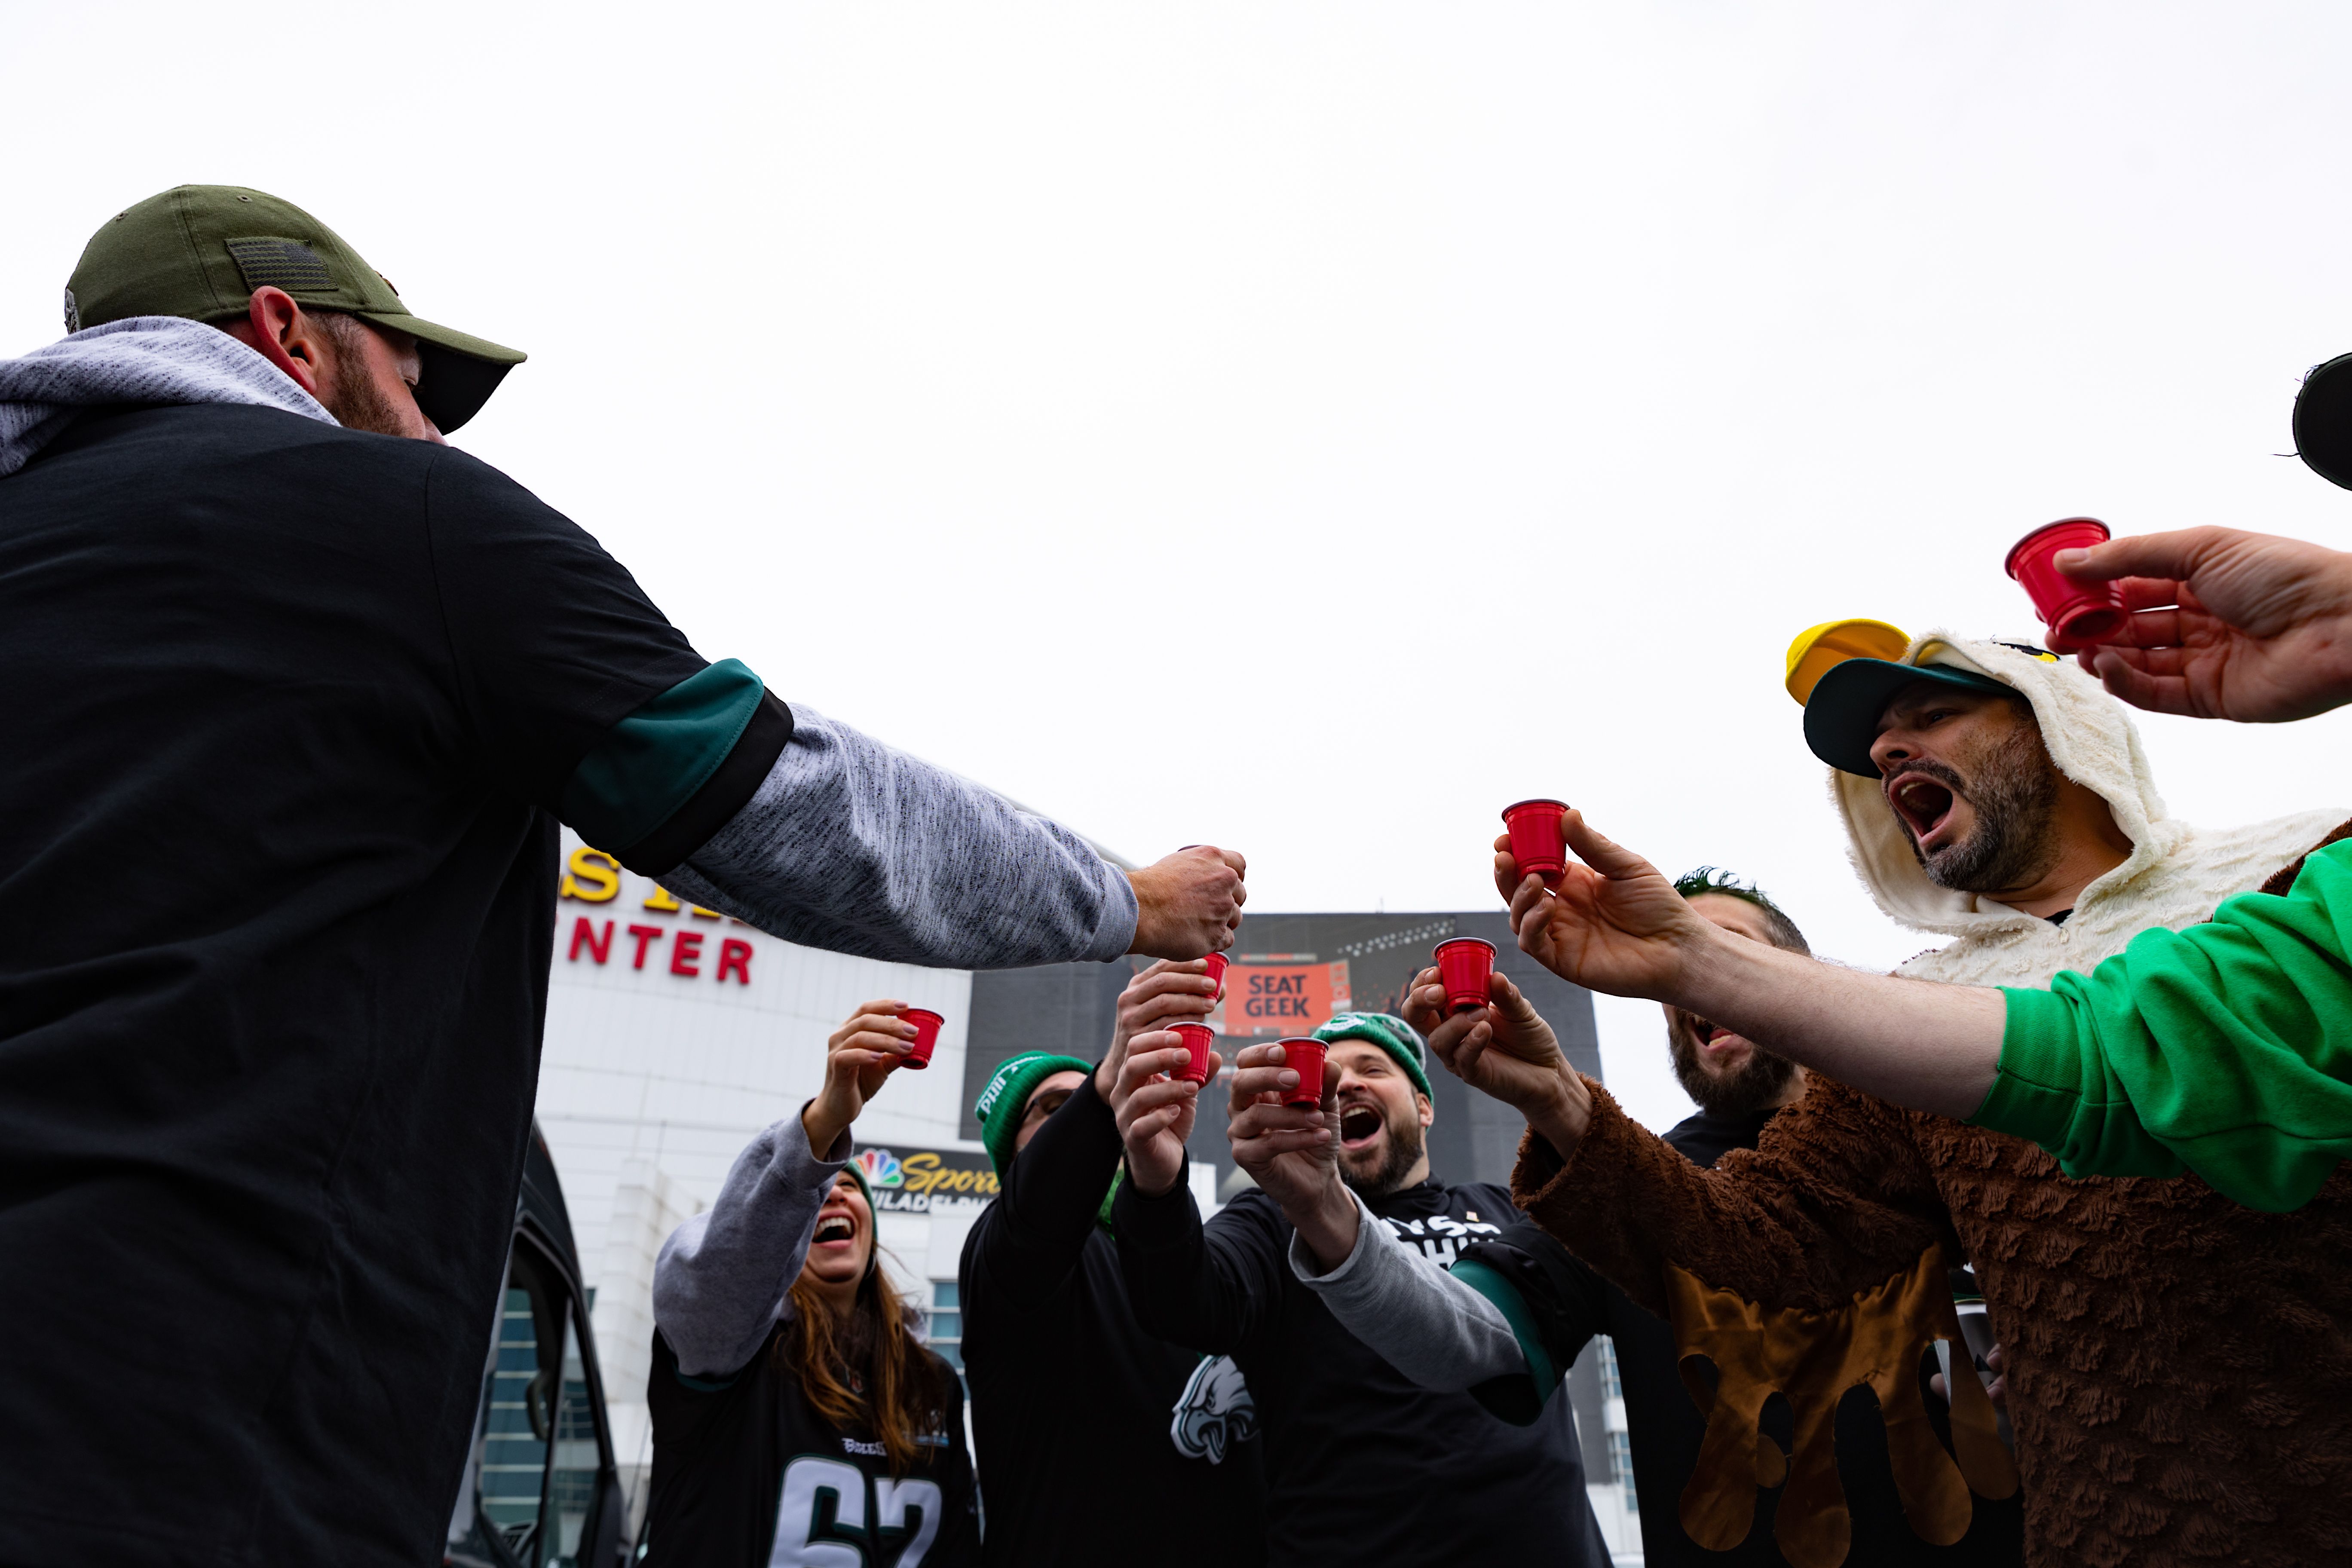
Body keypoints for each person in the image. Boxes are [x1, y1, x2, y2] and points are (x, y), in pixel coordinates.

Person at [0, 184, 1247, 1568]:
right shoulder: (401, 521)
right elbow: (781, 801)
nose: (428, 426)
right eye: (415, 384)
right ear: (290, 334)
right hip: (204, 1453)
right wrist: (1125, 900)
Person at [1413, 629, 2352, 1565]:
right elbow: (1767, 1246)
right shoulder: (1920, 1011)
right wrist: (1559, 1103)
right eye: (1878, 750)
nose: (1888, 752)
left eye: (1933, 714)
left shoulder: (2299, 878)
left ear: (2064, 729)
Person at [1274, 874, 2023, 1566]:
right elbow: (1458, 1339)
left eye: (1724, 952)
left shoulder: (1941, 1128)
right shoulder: (1615, 1184)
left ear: (1801, 979)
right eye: (1673, 970)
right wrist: (1325, 1209)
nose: (1692, 978)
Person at [1109, 1010, 1613, 1565]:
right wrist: (1156, 1183)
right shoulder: (1272, 1219)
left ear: (1424, 1107)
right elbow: (1180, 1305)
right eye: (1326, 1075)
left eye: (1372, 1068)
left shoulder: (1505, 1208)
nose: (1347, 1082)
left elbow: (1632, 1227)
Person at [956, 961, 1267, 1568]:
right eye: (1051, 1112)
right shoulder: (1004, 1259)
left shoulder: (1198, 1259)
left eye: (1100, 1104)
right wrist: (1103, 1090)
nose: (1097, 1117)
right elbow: (1037, 1217)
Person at [643, 1002, 976, 1565]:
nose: (835, 1194)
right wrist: (822, 1126)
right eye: (822, 1187)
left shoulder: (934, 1384)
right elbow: (721, 1277)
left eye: (851, 1188)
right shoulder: (731, 1353)